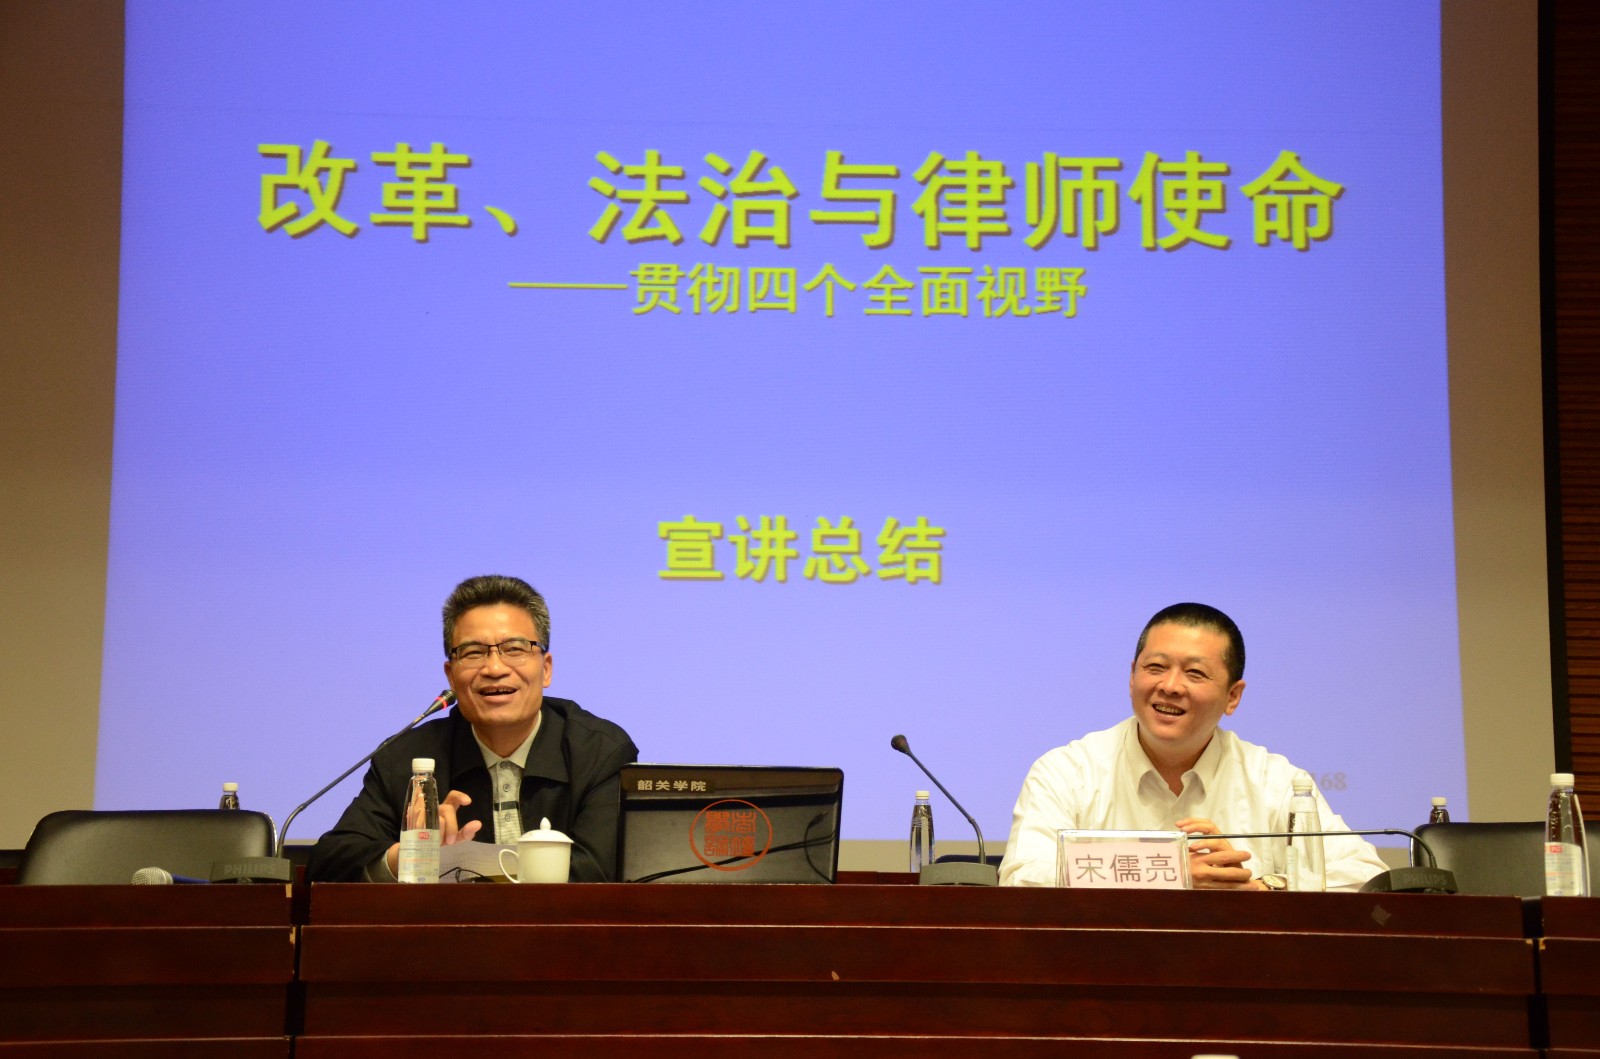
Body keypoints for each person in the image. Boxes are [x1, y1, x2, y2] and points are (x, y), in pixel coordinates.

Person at [997, 602, 1386, 891]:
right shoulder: (1067, 771)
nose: (1170, 686)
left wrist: (1260, 888)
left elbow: (1366, 876)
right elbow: (1022, 877)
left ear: (1232, 696)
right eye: (1155, 667)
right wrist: (1167, 872)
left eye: (1195, 673)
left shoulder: (1275, 780)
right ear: (1132, 676)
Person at [306, 575, 638, 882]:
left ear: (546, 669)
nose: (494, 668)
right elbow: (329, 863)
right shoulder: (406, 758)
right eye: (473, 652)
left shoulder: (600, 751)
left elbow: (601, 869)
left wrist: (475, 873)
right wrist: (412, 856)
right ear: (451, 676)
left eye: (514, 649)